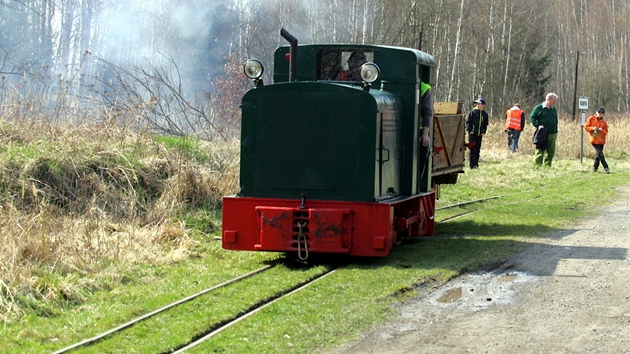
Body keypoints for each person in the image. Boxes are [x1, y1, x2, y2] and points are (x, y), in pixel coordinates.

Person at [529, 93, 558, 167]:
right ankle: (537, 166)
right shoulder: (539, 108)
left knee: (551, 151)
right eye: (553, 100)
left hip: (552, 134)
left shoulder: (553, 109)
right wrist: (538, 125)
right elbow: (532, 117)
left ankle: (547, 166)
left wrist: (556, 131)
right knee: (540, 150)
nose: (555, 102)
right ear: (548, 99)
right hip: (543, 133)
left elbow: (556, 120)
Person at [583, 108, 610, 173]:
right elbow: (585, 127)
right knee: (600, 153)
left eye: (601, 113)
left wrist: (602, 130)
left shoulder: (604, 123)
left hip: (601, 140)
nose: (600, 114)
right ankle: (606, 167)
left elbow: (606, 132)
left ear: (603, 114)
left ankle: (595, 168)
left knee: (598, 155)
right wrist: (592, 128)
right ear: (596, 112)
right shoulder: (591, 119)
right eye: (599, 112)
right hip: (594, 139)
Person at [465, 98, 489, 169]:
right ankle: (472, 165)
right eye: (477, 104)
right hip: (472, 134)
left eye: (479, 104)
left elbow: (485, 124)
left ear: (483, 105)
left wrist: (483, 132)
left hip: (479, 134)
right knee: (472, 149)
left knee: (478, 150)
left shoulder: (485, 114)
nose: (477, 105)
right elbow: (468, 122)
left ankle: (476, 164)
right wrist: (470, 130)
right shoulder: (473, 112)